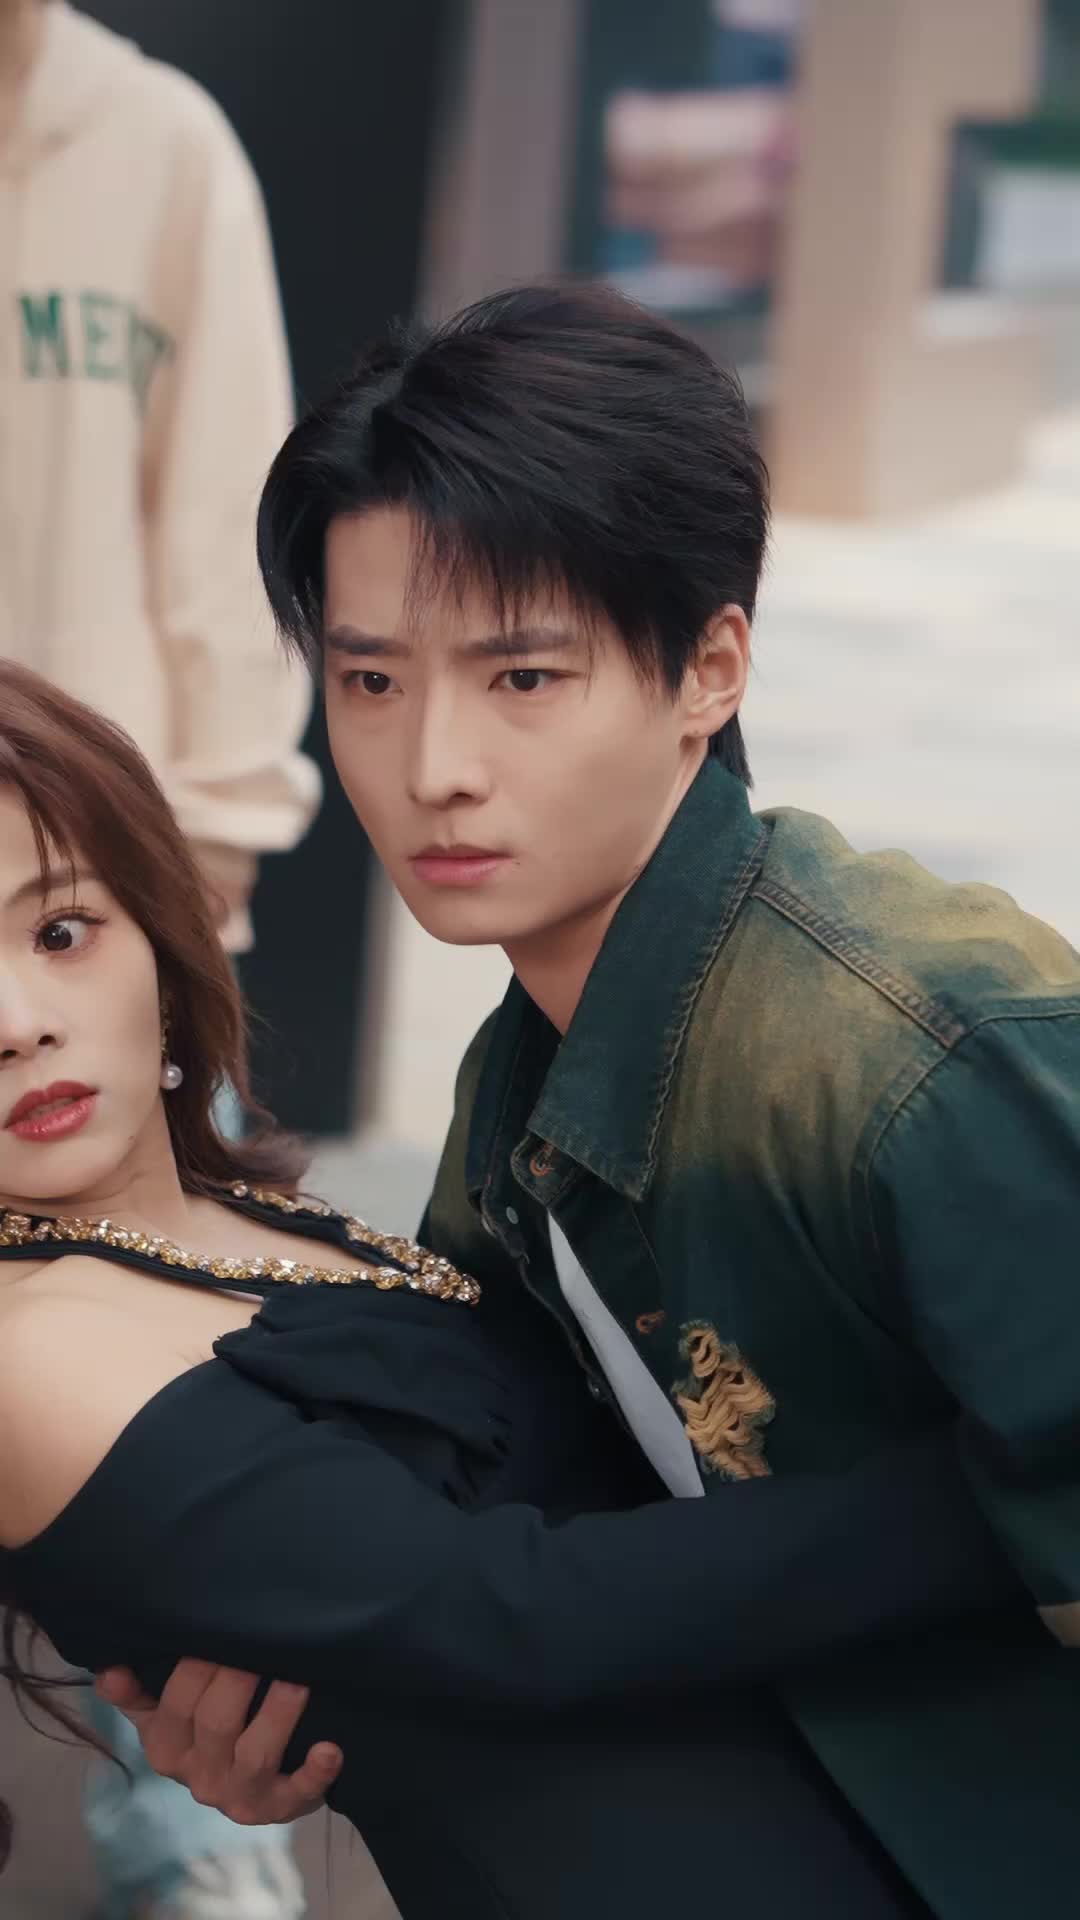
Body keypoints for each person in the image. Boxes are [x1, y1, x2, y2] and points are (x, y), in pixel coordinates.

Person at [114, 282, 1080, 1916]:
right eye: (371, 683)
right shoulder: (522, 1085)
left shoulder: (908, 1053)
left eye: (523, 679)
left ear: (710, 668)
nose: (434, 767)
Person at [0, 663, 1028, 1916]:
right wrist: (1014, 1481)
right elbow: (514, 1615)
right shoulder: (31, 1351)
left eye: (60, 932)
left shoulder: (221, 1212)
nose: (19, 1021)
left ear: (158, 938)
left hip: (839, 1798)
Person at [1, 2, 317, 1911]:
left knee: (177, 1466)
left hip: (91, 930)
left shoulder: (161, 145)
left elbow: (224, 555)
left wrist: (177, 907)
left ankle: (201, 1871)